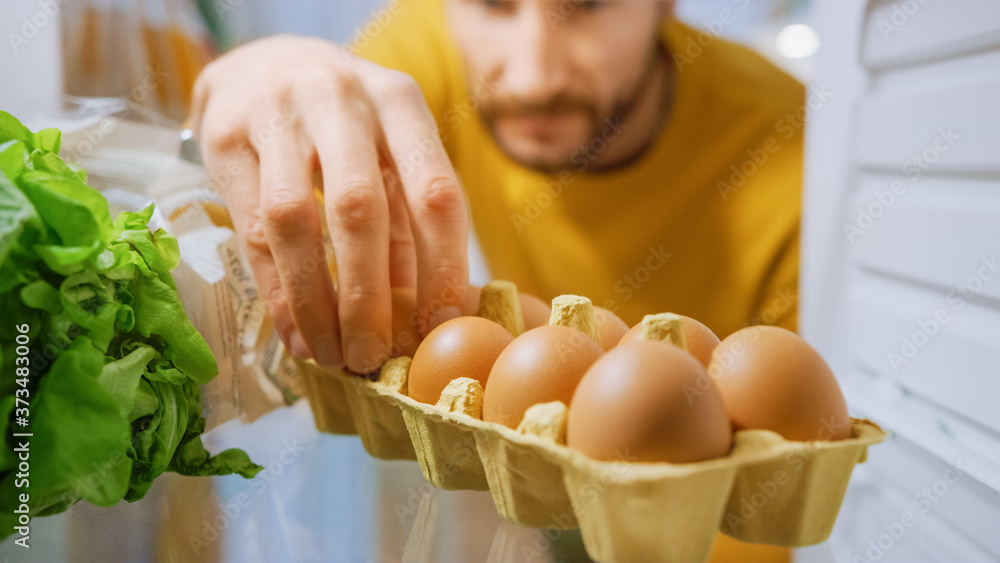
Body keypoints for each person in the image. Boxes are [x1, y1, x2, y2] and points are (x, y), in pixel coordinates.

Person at [190, 1, 801, 560]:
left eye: (587, 7)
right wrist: (256, 75)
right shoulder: (428, 47)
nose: (534, 78)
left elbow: (775, 491)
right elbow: (299, 214)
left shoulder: (795, 161)